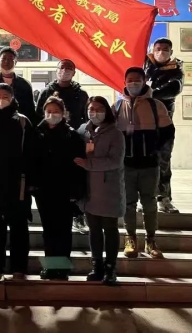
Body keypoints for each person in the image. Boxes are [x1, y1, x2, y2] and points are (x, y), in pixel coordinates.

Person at [116, 67, 175, 260]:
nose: (133, 83)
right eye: (130, 80)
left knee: (149, 203)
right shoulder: (117, 107)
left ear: (144, 82)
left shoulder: (156, 105)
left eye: (137, 79)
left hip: (150, 165)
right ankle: (130, 239)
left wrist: (159, 156)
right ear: (125, 83)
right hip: (127, 165)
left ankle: (151, 240)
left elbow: (168, 133)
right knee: (128, 204)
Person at [0, 83, 35, 281]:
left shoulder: (22, 121)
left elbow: (31, 152)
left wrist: (30, 180)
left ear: (12, 98)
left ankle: (19, 268)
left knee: (19, 226)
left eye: (5, 96)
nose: (1, 99)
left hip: (17, 183)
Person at [34, 93, 87, 280]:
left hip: (65, 190)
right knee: (49, 230)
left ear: (64, 113)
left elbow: (78, 166)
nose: (52, 114)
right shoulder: (37, 133)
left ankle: (62, 268)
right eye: (48, 111)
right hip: (43, 190)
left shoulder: (72, 135)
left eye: (56, 111)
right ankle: (50, 267)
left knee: (63, 230)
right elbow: (32, 161)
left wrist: (76, 191)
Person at [76, 96, 125, 285]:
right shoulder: (84, 130)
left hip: (108, 189)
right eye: (91, 109)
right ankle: (96, 266)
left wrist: (89, 164)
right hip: (89, 188)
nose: (94, 112)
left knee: (110, 229)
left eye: (99, 109)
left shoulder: (115, 134)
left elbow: (115, 161)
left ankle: (111, 268)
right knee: (94, 229)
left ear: (107, 111)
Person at [36, 58, 89, 231]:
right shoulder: (46, 92)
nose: (64, 71)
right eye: (62, 67)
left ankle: (78, 215)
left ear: (74, 72)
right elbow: (38, 116)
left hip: (72, 141)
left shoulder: (81, 94)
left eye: (69, 68)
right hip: (49, 142)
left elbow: (86, 117)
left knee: (72, 178)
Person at [144, 38, 184, 214]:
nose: (161, 52)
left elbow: (174, 89)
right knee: (141, 162)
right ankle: (144, 198)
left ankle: (164, 199)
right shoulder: (144, 65)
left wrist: (150, 93)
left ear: (171, 52)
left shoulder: (176, 69)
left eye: (165, 49)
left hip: (163, 124)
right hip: (142, 122)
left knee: (163, 162)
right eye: (158, 48)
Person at [0, 46, 36, 126]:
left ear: (16, 62)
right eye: (4, 59)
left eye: (10, 59)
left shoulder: (24, 84)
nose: (7, 62)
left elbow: (30, 110)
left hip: (17, 125)